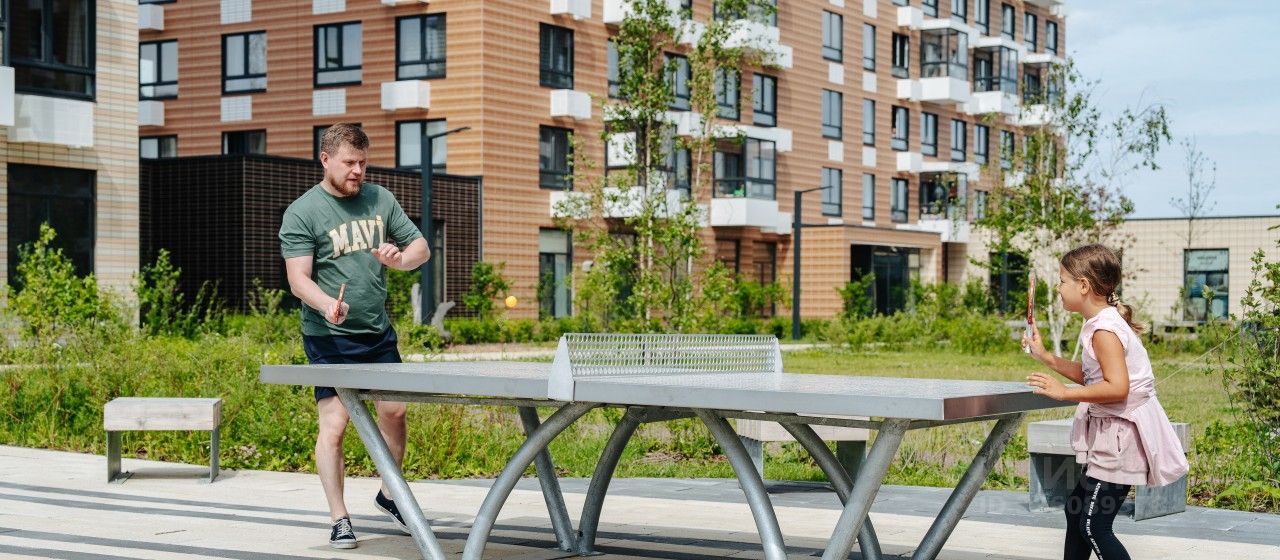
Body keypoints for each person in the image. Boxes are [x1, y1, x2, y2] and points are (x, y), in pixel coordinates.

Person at [279, 123, 430, 549]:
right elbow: (298, 279)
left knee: (395, 411)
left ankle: (389, 495)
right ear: (325, 159)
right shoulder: (303, 212)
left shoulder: (381, 199)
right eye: (349, 163)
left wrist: (400, 260)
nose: (358, 171)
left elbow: (420, 248)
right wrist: (327, 303)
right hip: (328, 336)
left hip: (377, 332)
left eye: (363, 162)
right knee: (335, 423)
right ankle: (339, 517)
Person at [1022, 244, 1189, 560]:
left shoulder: (1104, 330)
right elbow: (1093, 376)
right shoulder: (1101, 322)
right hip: (1113, 436)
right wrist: (1045, 356)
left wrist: (1064, 393)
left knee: (1093, 525)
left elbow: (1117, 388)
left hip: (1120, 440)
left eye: (1062, 281)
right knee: (1076, 511)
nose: (1058, 288)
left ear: (1083, 285)